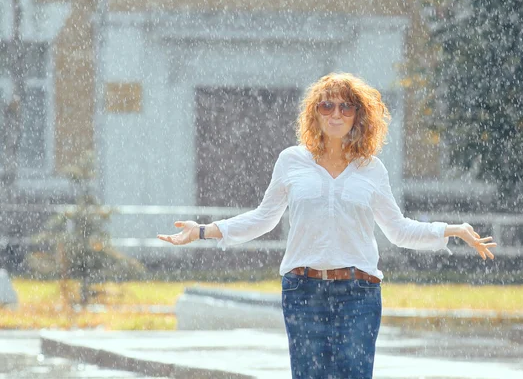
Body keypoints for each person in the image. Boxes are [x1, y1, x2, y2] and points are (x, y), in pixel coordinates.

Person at [158, 72, 496, 379]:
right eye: (327, 105)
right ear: (314, 113)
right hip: (302, 291)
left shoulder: (371, 168)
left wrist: (453, 229)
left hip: (358, 293)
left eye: (346, 107)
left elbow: (399, 229)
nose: (335, 114)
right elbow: (264, 218)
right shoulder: (291, 161)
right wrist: (202, 230)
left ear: (358, 116)